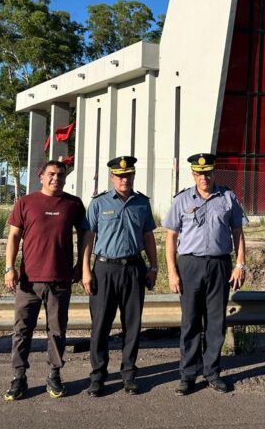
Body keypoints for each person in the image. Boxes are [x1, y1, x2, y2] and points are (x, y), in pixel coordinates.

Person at [164, 153, 247, 395]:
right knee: (190, 321)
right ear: (193, 174)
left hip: (220, 264)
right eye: (199, 173)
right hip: (190, 265)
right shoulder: (182, 200)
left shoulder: (228, 198)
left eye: (208, 172)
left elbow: (238, 232)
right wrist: (172, 271)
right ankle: (188, 374)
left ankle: (212, 372)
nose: (204, 177)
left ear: (214, 173)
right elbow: (171, 236)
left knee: (215, 322)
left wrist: (240, 264)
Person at [3, 160, 87, 401]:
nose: (56, 179)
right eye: (51, 175)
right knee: (21, 330)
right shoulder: (26, 202)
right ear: (41, 176)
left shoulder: (73, 204)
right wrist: (10, 268)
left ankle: (54, 374)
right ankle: (19, 377)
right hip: (28, 281)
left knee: (57, 331)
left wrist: (81, 266)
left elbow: (84, 236)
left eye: (60, 175)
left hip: (60, 280)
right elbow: (14, 237)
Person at [82, 156, 158, 397]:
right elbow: (88, 238)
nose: (124, 179)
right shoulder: (98, 203)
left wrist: (153, 267)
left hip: (134, 268)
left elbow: (148, 237)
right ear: (112, 177)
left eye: (128, 175)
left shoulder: (142, 204)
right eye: (120, 175)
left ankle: (129, 374)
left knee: (132, 325)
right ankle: (98, 377)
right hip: (104, 270)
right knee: (101, 325)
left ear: (133, 176)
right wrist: (85, 269)